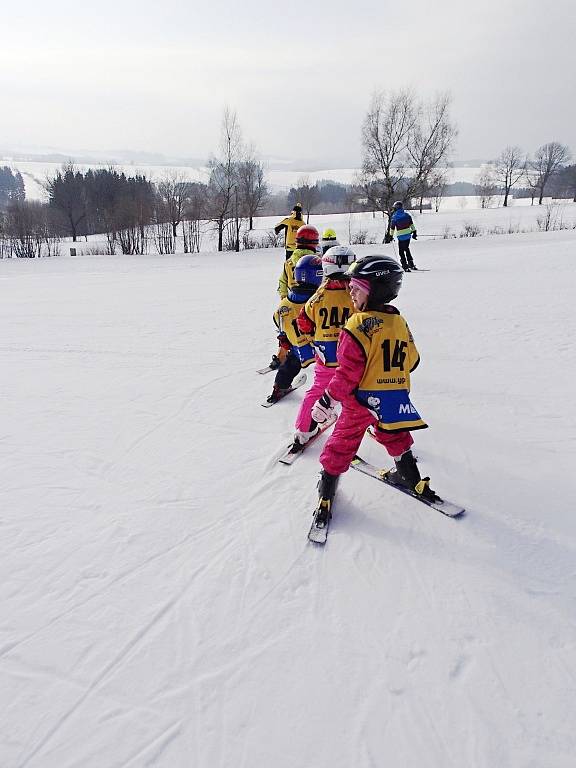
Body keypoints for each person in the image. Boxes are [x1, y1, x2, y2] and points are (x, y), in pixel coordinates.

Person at [310, 253, 438, 524]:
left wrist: (326, 401)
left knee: (342, 443)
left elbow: (346, 374)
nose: (350, 292)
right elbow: (413, 361)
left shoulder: (357, 324)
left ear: (373, 290)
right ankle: (410, 477)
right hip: (393, 399)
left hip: (361, 401)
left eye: (356, 288)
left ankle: (326, 493)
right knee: (394, 435)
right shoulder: (400, 322)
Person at [288, 245, 356, 450]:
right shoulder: (355, 294)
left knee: (318, 390)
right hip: (352, 358)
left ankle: (304, 430)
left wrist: (314, 339)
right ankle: (367, 425)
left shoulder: (317, 297)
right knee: (358, 391)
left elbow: (303, 322)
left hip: (325, 357)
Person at [267, 254, 324, 403]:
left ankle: (279, 386)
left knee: (290, 365)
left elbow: (277, 321)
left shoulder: (285, 303)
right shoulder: (317, 301)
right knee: (330, 369)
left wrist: (285, 339)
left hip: (299, 348)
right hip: (319, 347)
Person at [277, 225, 319, 299]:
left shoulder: (288, 262)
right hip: (313, 300)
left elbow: (282, 281)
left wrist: (284, 298)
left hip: (295, 299)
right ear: (314, 243)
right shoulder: (317, 262)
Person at [386, 201, 418, 271]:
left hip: (401, 237)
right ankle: (411, 263)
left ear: (396, 208)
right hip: (408, 236)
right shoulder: (407, 215)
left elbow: (392, 228)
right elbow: (411, 225)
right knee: (406, 248)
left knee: (401, 251)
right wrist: (414, 232)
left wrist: (391, 236)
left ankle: (404, 265)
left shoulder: (394, 217)